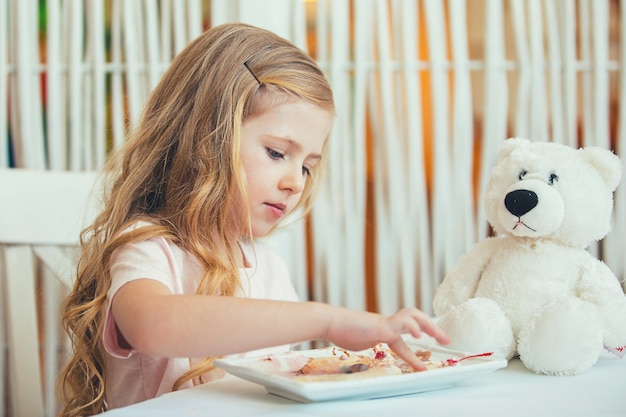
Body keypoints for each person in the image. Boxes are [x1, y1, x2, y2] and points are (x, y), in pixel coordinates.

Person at [57, 22, 450, 417]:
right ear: (207, 138)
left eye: (308, 167)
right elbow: (152, 326)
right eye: (278, 153)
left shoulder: (269, 267)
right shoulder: (148, 247)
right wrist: (326, 321)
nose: (295, 182)